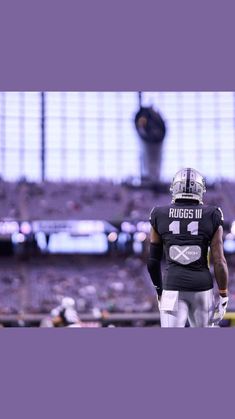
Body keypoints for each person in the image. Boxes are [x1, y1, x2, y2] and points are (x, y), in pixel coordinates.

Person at [147, 168, 229, 327]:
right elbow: (219, 261)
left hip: (172, 287)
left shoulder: (159, 213)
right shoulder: (212, 214)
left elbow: (152, 262)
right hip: (202, 288)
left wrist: (159, 292)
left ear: (175, 188)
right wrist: (223, 294)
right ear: (200, 189)